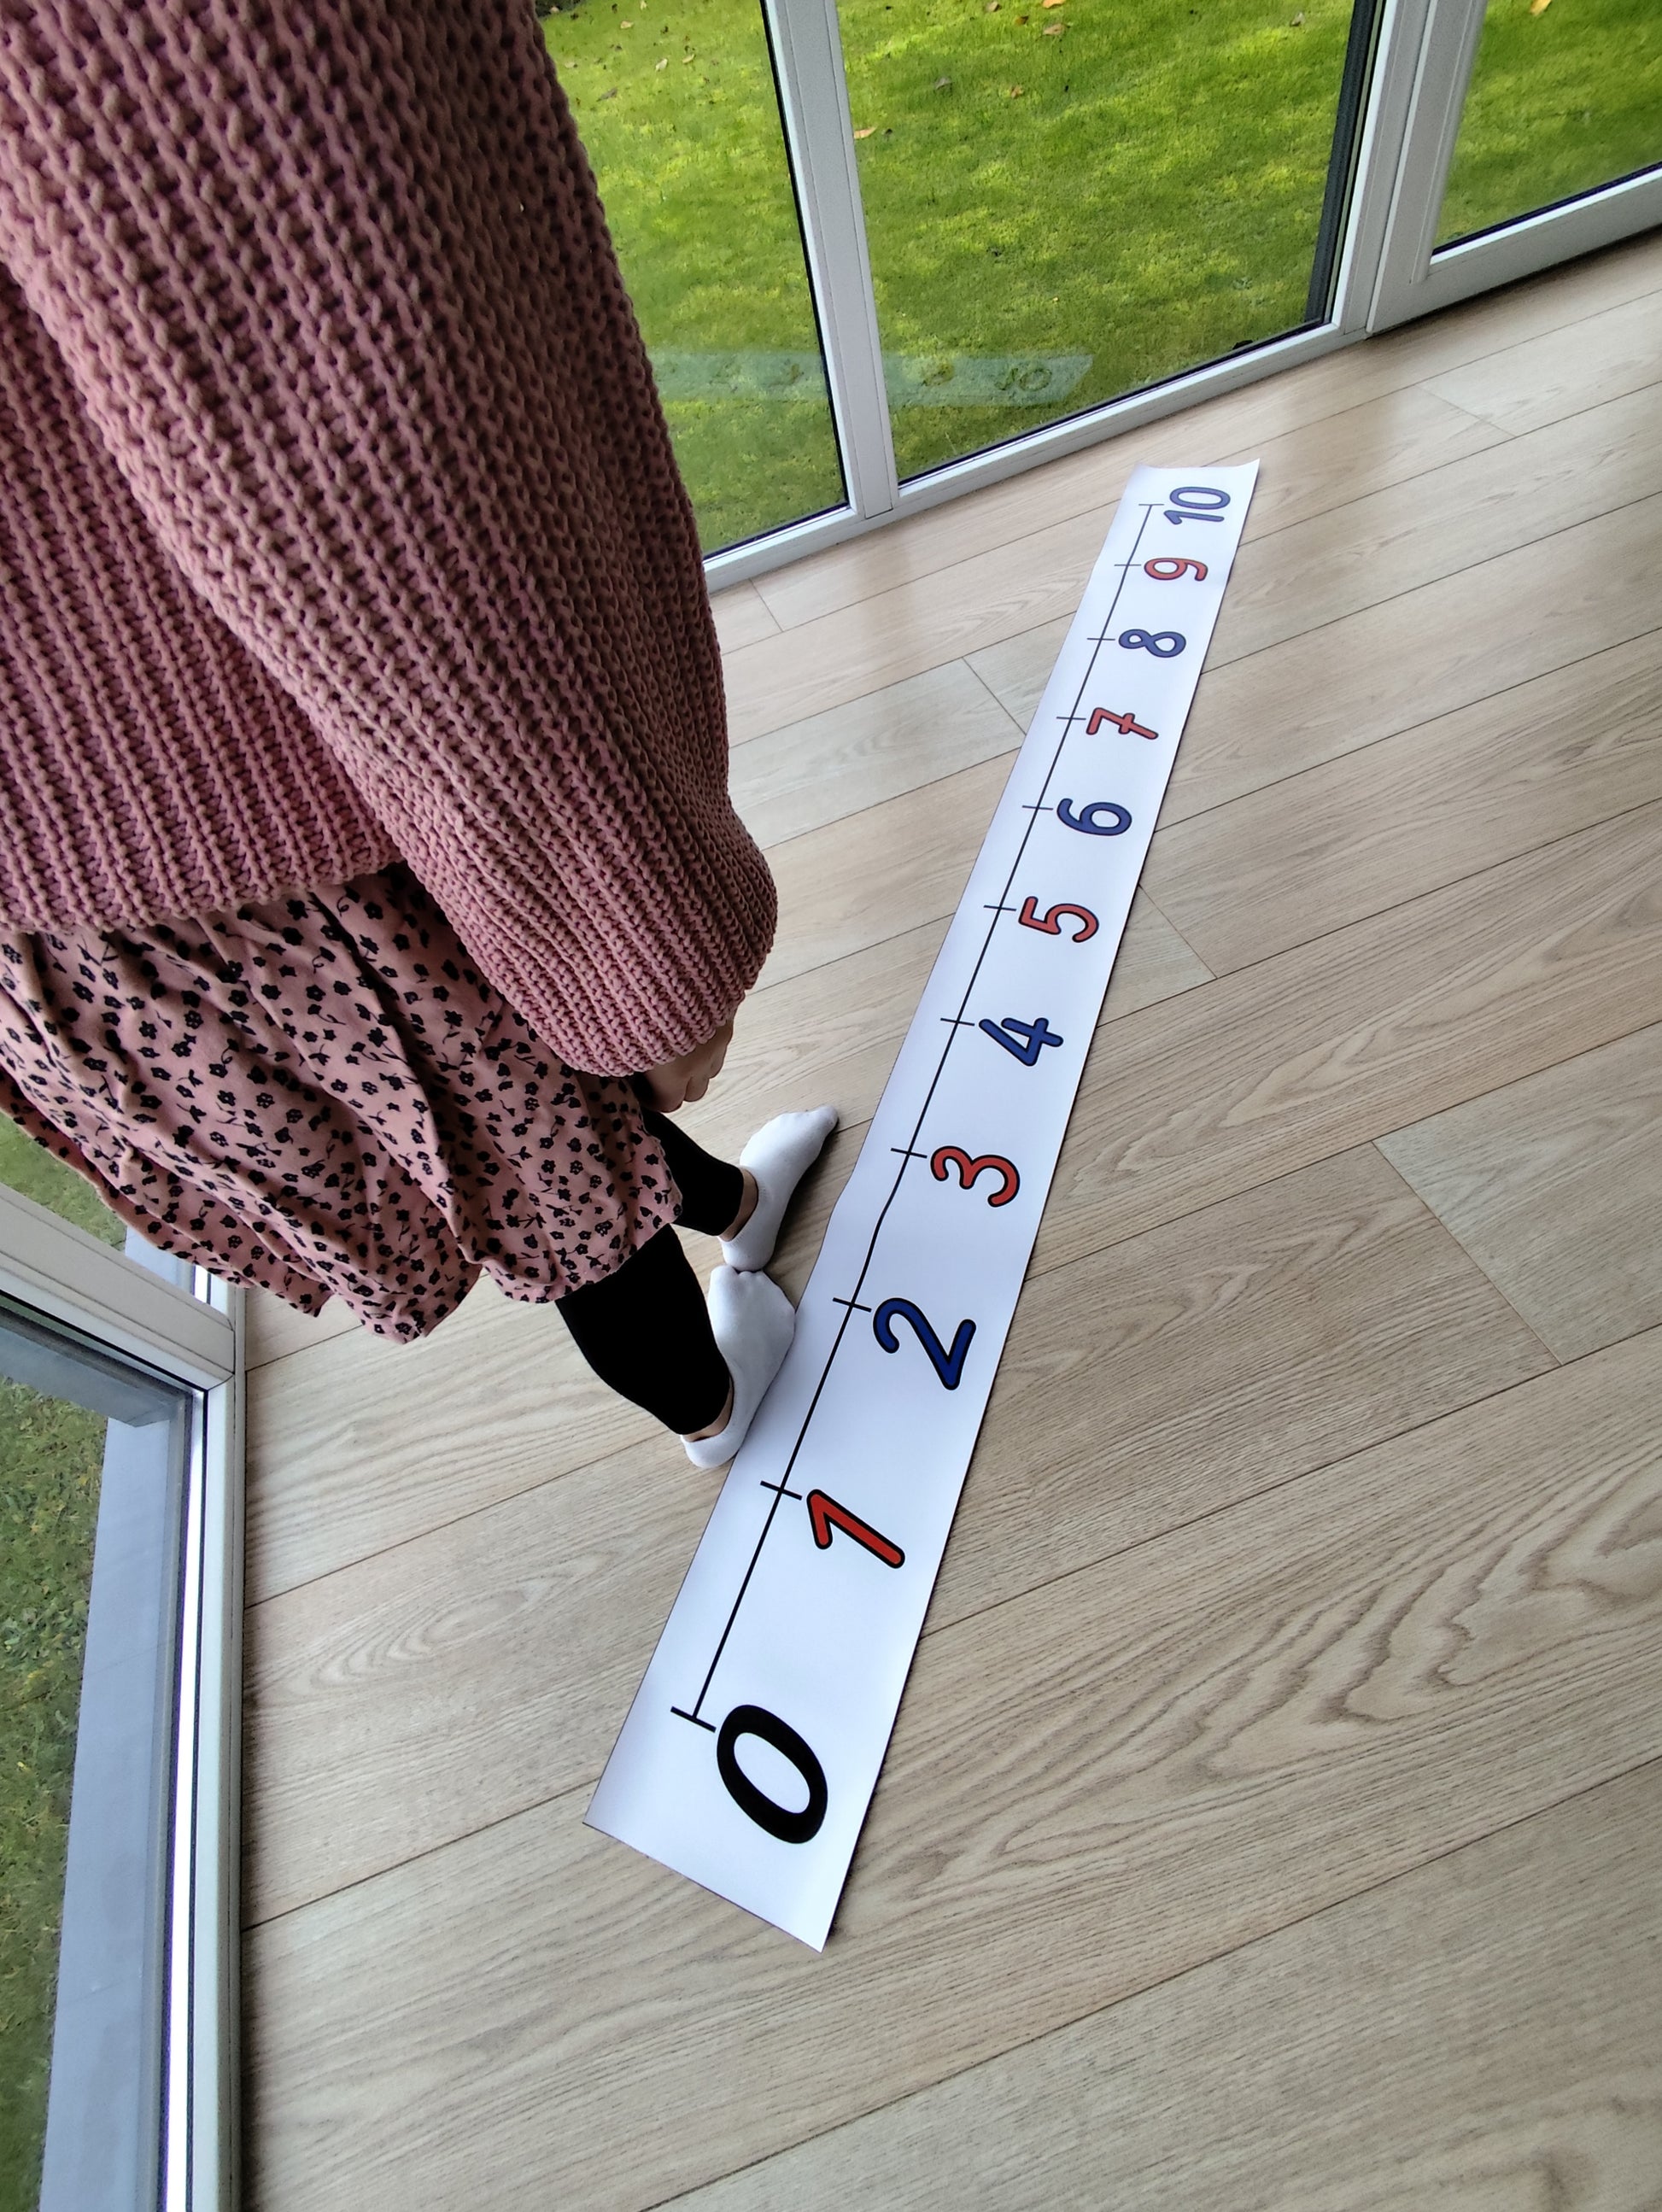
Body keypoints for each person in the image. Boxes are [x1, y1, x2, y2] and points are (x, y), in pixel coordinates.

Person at [0, 1, 833, 1466]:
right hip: (259, 812)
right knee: (553, 1172)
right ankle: (710, 1406)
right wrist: (640, 949)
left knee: (547, 1116)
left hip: (69, 878)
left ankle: (737, 1210)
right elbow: (374, 446)